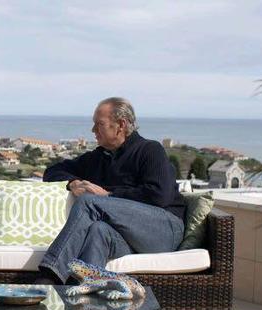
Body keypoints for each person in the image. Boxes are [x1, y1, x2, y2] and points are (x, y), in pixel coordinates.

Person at [37, 97, 186, 284]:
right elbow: (52, 171)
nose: (93, 131)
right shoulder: (98, 158)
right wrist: (72, 182)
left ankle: (48, 278)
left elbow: (160, 195)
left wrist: (108, 195)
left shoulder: (150, 149)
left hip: (164, 230)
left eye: (99, 124)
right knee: (98, 230)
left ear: (121, 125)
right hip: (129, 237)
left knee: (88, 202)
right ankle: (81, 298)